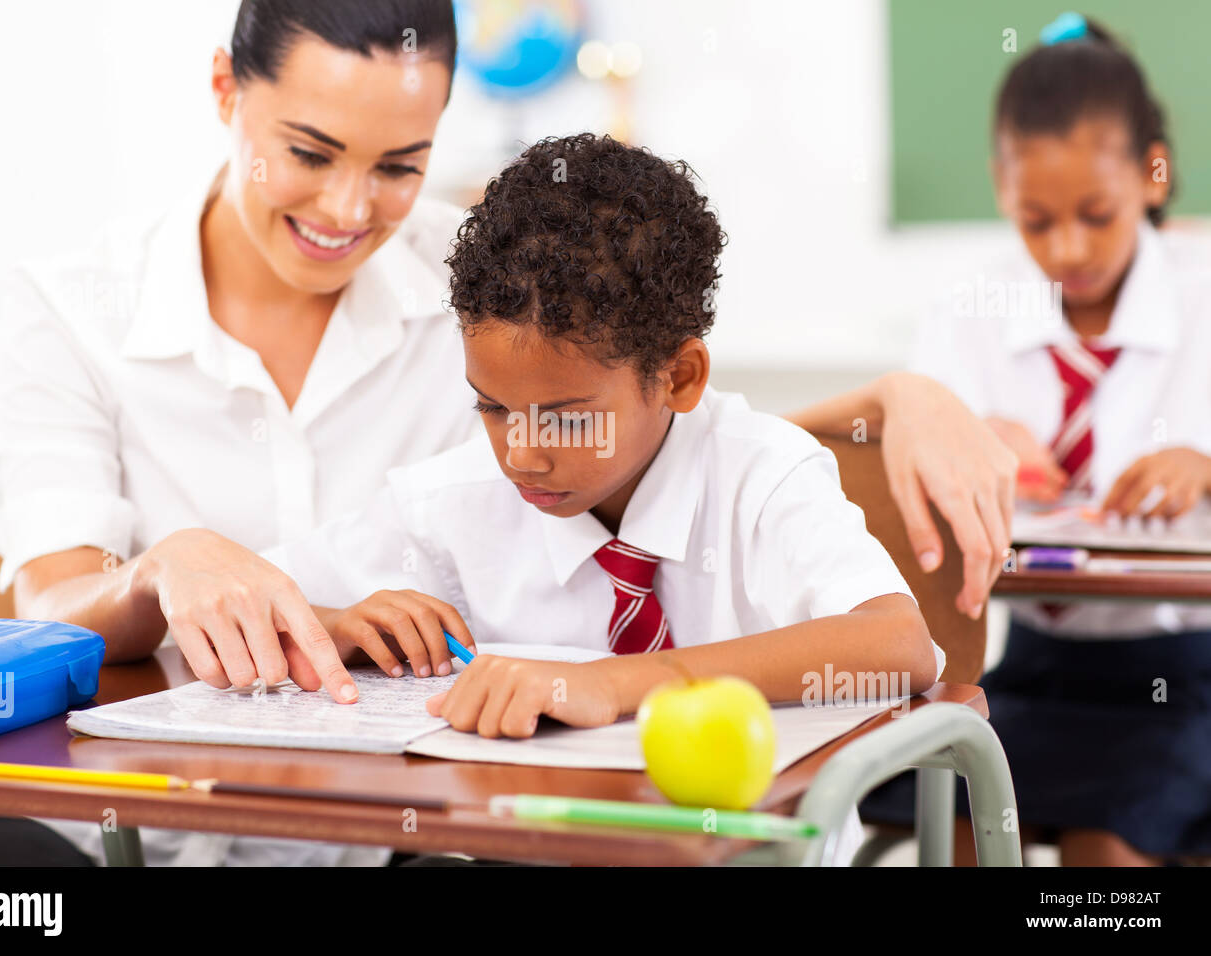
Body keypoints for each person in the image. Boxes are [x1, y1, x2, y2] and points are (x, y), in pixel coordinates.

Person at [0, 1, 1015, 867]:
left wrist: (894, 397)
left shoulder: (501, 277)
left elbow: (680, 437)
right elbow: (82, 616)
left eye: (400, 164)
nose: (351, 209)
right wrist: (285, 604)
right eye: (310, 151)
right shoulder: (87, 311)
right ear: (225, 91)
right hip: (182, 823)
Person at [260, 131, 942, 863]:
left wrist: (612, 684)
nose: (521, 453)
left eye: (566, 417)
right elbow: (251, 602)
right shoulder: (449, 502)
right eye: (491, 408)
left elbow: (898, 645)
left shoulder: (762, 475)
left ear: (679, 377)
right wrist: (336, 624)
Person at [880, 15, 1211, 865]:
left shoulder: (1202, 291)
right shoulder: (969, 313)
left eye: (1096, 216)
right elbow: (901, 478)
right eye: (1036, 221)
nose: (1067, 249)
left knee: (1111, 840)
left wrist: (1206, 467)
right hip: (1028, 664)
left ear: (1151, 173)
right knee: (952, 813)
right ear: (1000, 187)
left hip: (1181, 680)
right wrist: (965, 447)